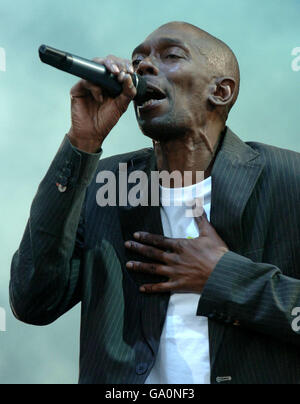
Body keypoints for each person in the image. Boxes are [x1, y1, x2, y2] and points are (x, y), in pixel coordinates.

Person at [10, 21, 300, 384]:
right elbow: (32, 301)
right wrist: (81, 143)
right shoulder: (106, 185)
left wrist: (225, 278)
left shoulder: (288, 178)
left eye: (171, 56)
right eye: (138, 59)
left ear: (221, 91)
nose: (143, 67)